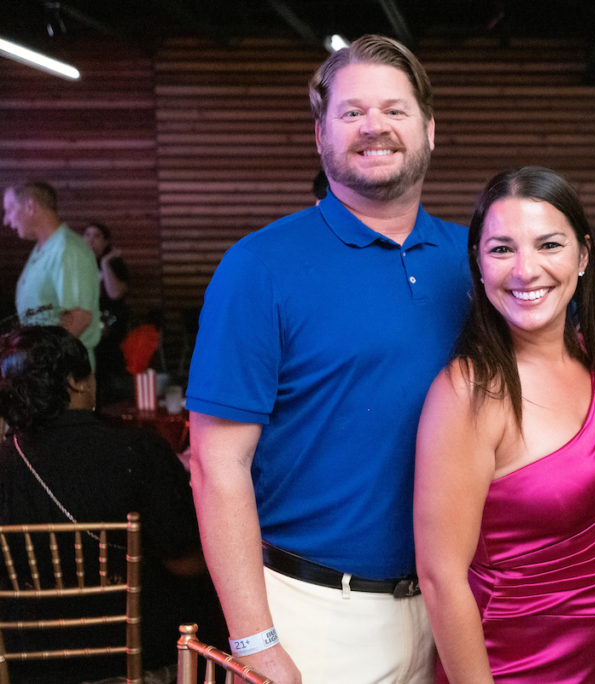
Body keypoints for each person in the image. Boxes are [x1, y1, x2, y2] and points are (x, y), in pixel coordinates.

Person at [186, 34, 471, 683]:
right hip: (316, 616)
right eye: (352, 112)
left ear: (429, 129)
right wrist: (256, 640)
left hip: (458, 608)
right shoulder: (260, 266)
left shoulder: (483, 262)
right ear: (321, 135)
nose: (375, 126)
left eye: (395, 110)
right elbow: (215, 464)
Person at [414, 166, 595, 683]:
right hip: (510, 664)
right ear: (477, 264)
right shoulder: (469, 392)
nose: (526, 270)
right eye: (501, 249)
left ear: (584, 255)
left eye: (548, 245)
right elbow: (441, 577)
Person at [0, 325, 221, 684]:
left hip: (24, 667)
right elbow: (184, 561)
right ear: (75, 381)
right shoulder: (138, 452)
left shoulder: (8, 463)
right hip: (133, 664)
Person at [3, 181, 101, 367]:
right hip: (47, 374)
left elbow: (78, 317)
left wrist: (39, 361)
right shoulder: (43, 249)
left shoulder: (68, 250)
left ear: (30, 206)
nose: (6, 220)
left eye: (10, 209)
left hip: (64, 375)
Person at [83, 220, 133, 404]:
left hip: (110, 323)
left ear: (105, 241)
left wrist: (105, 263)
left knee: (107, 364)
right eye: (87, 235)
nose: (91, 240)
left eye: (96, 236)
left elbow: (116, 293)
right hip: (86, 323)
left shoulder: (114, 263)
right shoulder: (77, 264)